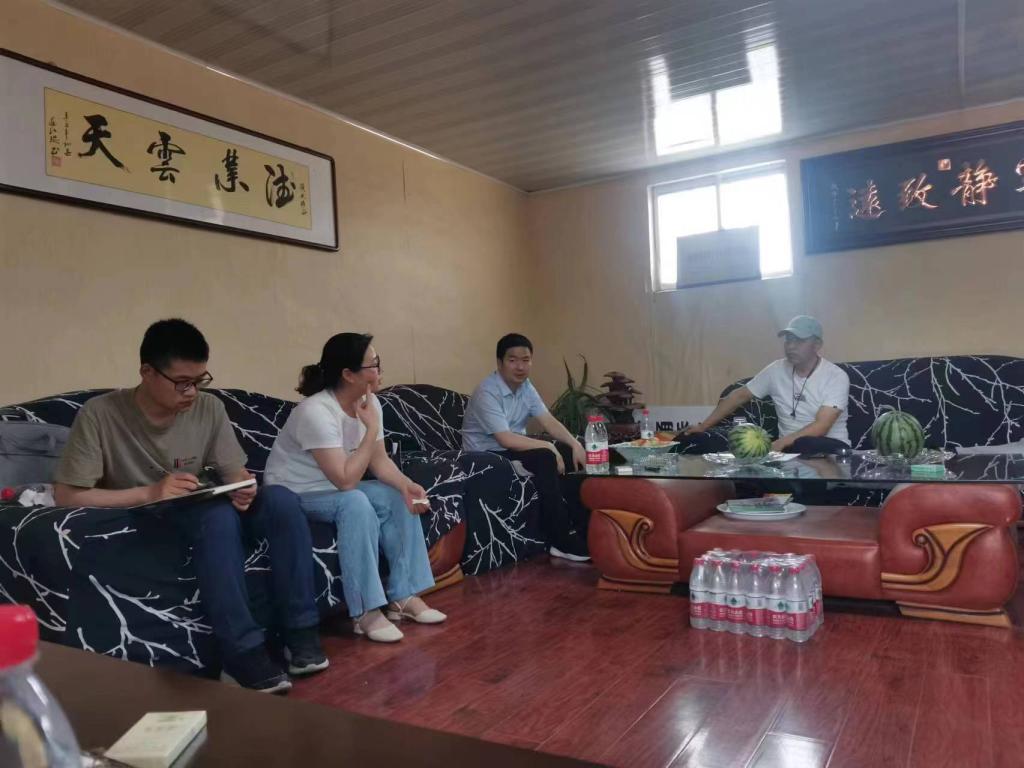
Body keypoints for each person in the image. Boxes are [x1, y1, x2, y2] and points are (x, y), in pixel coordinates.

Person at [53, 319, 325, 694]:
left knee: (281, 500)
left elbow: (234, 472)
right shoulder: (100, 414)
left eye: (199, 381)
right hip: (145, 513)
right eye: (182, 382)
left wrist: (242, 488)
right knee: (217, 517)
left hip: (199, 501)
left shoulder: (209, 408)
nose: (192, 392)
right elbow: (67, 496)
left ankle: (302, 631)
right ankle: (242, 653)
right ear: (147, 372)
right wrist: (151, 493)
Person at [264, 333, 446, 644]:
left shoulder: (370, 402)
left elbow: (380, 462)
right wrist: (371, 428)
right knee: (355, 502)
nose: (380, 371)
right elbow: (346, 481)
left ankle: (404, 596)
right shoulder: (316, 412)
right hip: (296, 492)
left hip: (335, 486)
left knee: (396, 497)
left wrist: (407, 485)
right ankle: (365, 611)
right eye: (373, 365)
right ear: (348, 374)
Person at [462, 333, 590, 562]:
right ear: (500, 363)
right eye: (512, 360)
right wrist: (548, 447)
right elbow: (505, 439)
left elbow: (548, 421)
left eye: (525, 360)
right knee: (545, 457)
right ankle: (560, 540)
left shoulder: (526, 387)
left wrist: (574, 444)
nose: (520, 367)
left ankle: (582, 531)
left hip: (511, 447)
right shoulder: (487, 391)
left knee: (569, 452)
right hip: (484, 454)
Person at [683, 316, 851, 453]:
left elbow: (821, 426)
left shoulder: (835, 376)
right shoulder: (776, 370)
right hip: (789, 450)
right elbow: (739, 395)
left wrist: (779, 444)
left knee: (805, 443)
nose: (791, 346)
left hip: (831, 448)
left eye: (799, 341)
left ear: (817, 345)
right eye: (788, 340)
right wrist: (703, 426)